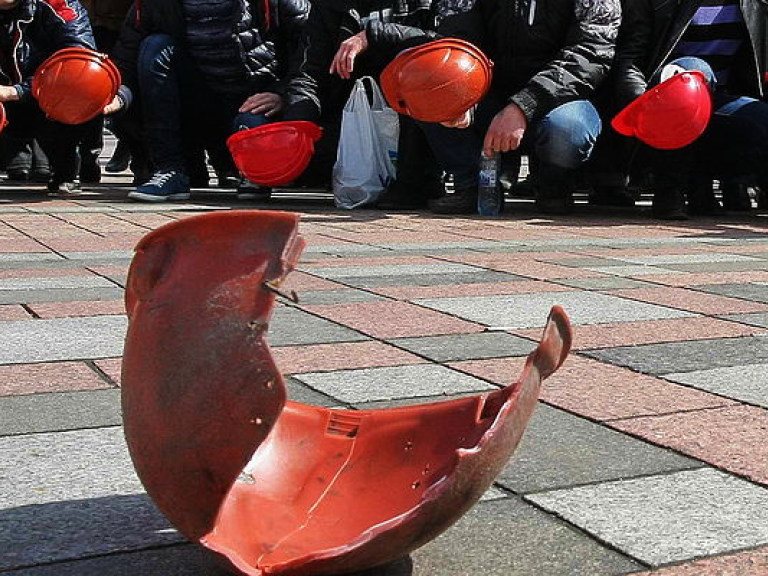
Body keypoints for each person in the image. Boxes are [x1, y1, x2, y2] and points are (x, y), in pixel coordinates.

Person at [410, 0, 621, 215]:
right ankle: (470, 183)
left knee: (568, 130)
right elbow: (455, 39)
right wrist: (460, 88)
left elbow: (591, 53)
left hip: (561, 99)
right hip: (487, 93)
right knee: (430, 96)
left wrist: (523, 105)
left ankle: (554, 185)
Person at [106, 0, 311, 202]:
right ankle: (170, 170)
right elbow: (127, 57)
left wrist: (281, 94)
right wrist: (119, 96)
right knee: (155, 47)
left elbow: (310, 49)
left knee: (254, 134)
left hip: (253, 100)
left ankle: (251, 171)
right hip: (198, 104)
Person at [281, 0, 460, 206]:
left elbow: (447, 42)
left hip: (414, 113)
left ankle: (418, 183)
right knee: (275, 130)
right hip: (352, 117)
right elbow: (308, 72)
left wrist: (373, 35)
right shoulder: (329, 6)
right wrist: (297, 124)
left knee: (428, 70)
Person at [611, 0, 768, 219]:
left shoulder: (755, 4)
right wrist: (641, 105)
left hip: (722, 103)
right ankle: (669, 190)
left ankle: (710, 179)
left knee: (762, 120)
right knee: (694, 72)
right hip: (664, 100)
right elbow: (630, 59)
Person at [0, 0, 97, 194]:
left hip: (44, 96)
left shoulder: (59, 5)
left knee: (84, 86)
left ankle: (65, 168)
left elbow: (78, 62)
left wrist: (18, 91)